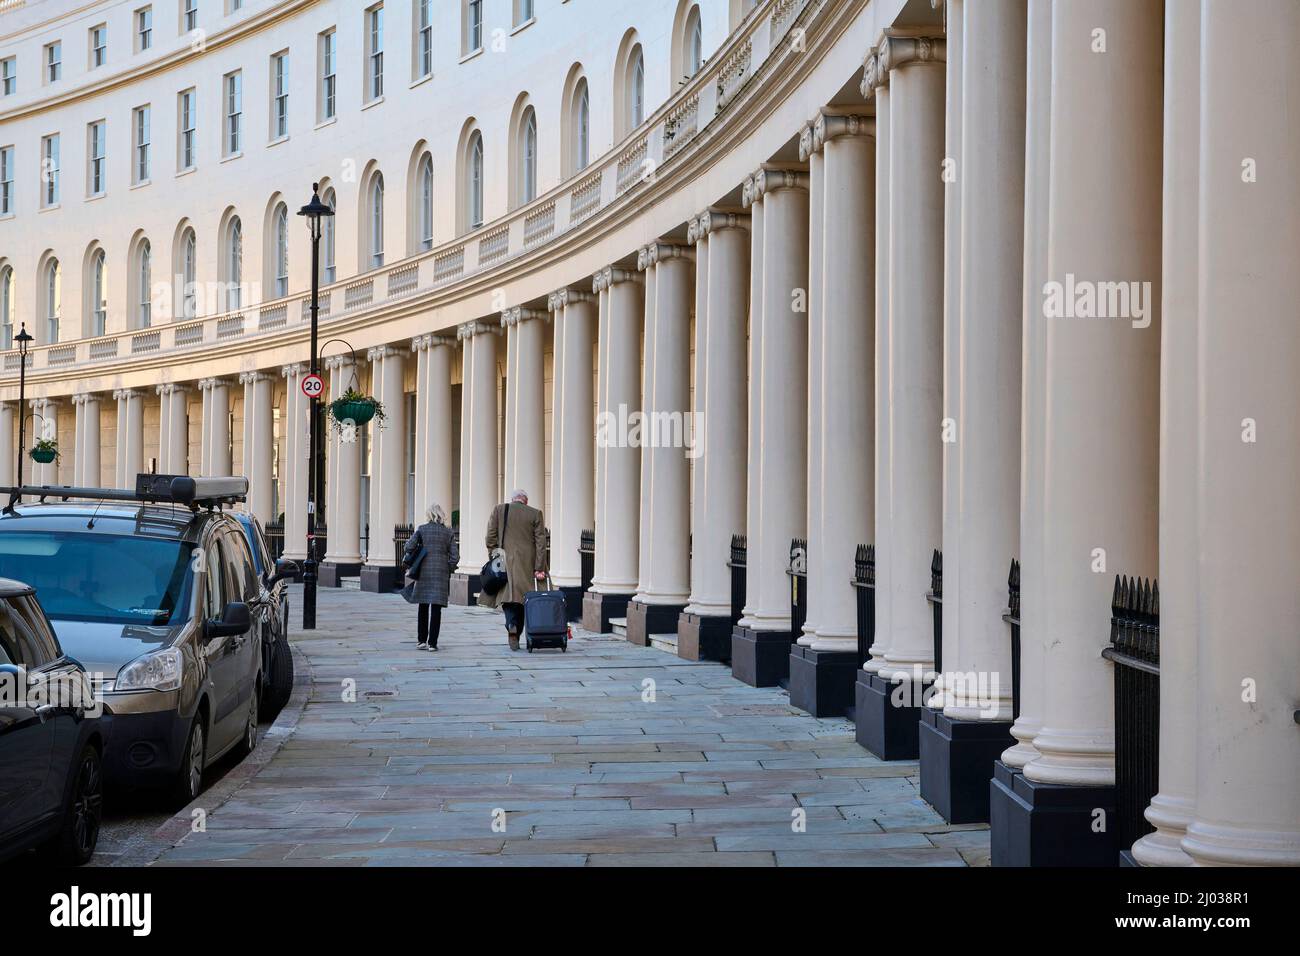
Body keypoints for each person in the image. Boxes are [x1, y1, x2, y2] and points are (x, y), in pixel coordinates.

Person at [477, 489, 546, 650]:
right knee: (524, 600)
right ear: (526, 501)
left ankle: (511, 625)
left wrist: (495, 556)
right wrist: (539, 567)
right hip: (528, 563)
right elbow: (540, 543)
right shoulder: (535, 514)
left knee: (508, 598)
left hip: (505, 562)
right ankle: (517, 630)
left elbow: (490, 537)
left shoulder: (499, 510)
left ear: (513, 499)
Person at [402, 503, 459, 651]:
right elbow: (455, 556)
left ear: (429, 515)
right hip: (441, 572)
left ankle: (421, 641)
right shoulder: (448, 532)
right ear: (441, 515)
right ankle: (432, 643)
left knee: (423, 606)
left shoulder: (422, 529)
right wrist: (448, 568)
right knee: (436, 608)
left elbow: (408, 547)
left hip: (424, 571)